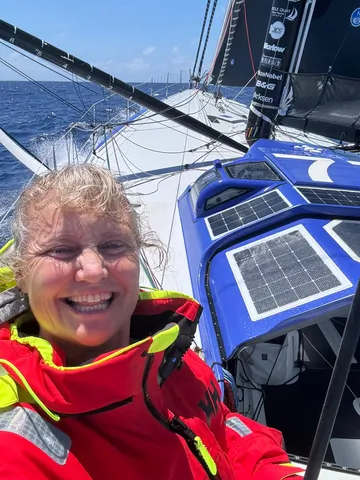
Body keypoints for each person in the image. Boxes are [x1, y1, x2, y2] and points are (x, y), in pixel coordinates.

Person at [0, 165, 304, 479]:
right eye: (61, 250)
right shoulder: (13, 448)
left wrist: (274, 472)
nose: (93, 270)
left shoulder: (168, 350)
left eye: (113, 245)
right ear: (21, 274)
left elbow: (222, 426)